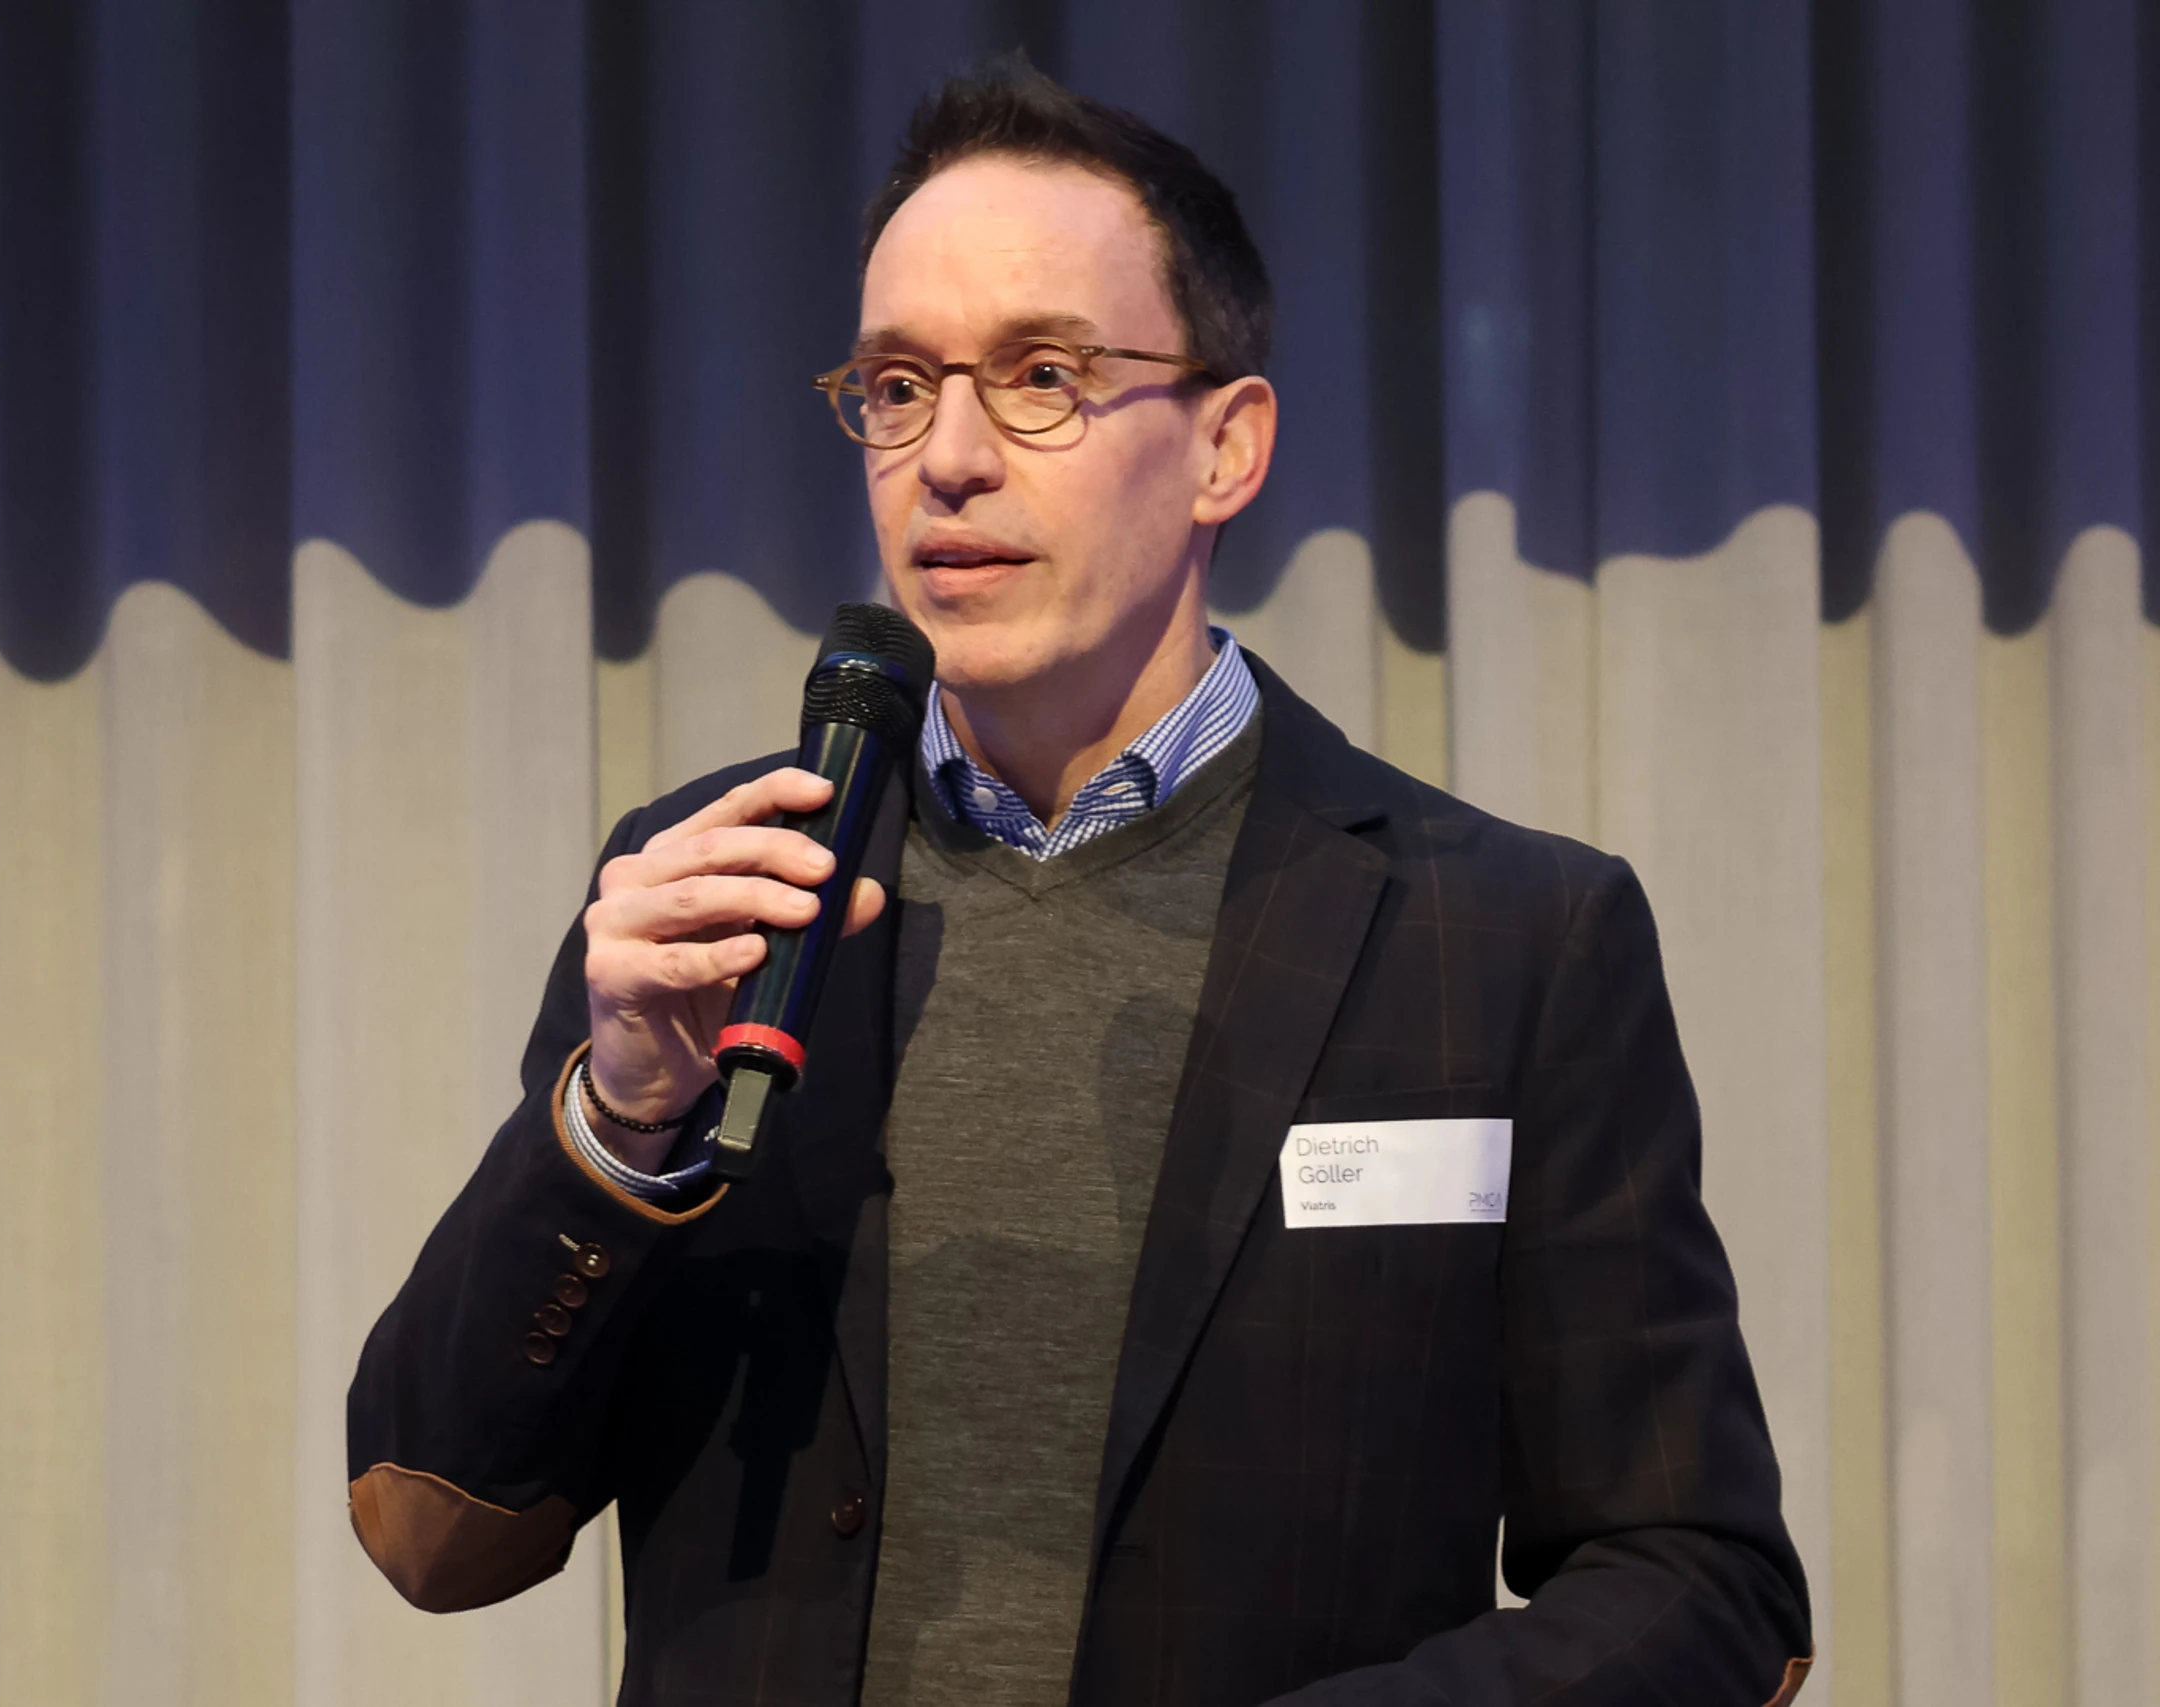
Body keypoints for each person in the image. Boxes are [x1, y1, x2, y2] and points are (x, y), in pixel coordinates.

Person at [347, 62, 1812, 1707]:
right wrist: (616, 1126)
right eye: (897, 386)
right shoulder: (722, 894)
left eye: (1042, 376)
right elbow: (433, 1527)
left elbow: (1700, 1583)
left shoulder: (1505, 942)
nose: (948, 458)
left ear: (1225, 446)